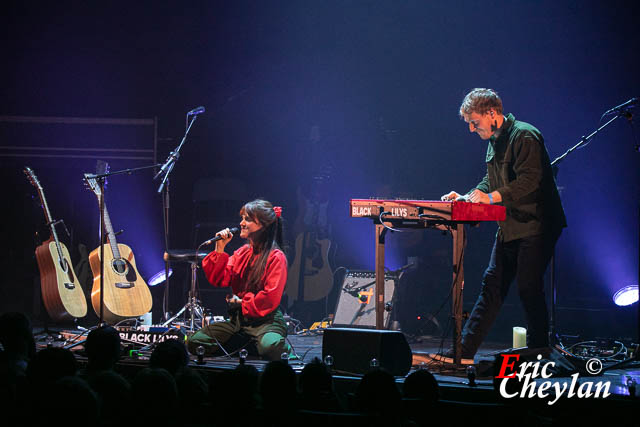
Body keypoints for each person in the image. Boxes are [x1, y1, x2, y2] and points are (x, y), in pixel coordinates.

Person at [439, 88, 566, 362]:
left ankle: (539, 351)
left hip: (537, 223)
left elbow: (529, 182)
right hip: (510, 224)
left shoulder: (525, 135)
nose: (472, 129)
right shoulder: (493, 139)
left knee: (528, 286)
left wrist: (491, 197)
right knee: (491, 286)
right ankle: (463, 351)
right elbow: (491, 181)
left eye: (475, 122)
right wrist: (469, 196)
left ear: (492, 113)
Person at [187, 199, 291, 361]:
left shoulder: (276, 257)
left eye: (248, 219)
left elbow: (270, 298)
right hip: (239, 322)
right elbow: (220, 279)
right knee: (195, 342)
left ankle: (261, 344)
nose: (241, 223)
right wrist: (219, 248)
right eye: (242, 218)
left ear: (264, 225)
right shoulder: (242, 253)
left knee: (271, 347)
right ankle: (250, 345)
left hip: (266, 321)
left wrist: (242, 302)